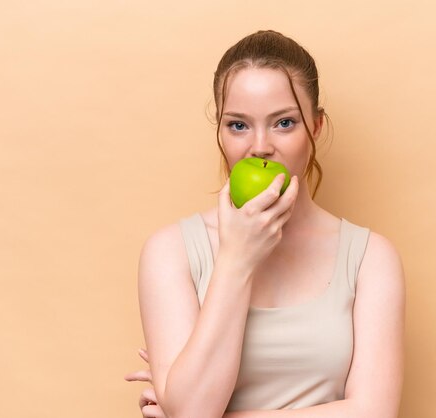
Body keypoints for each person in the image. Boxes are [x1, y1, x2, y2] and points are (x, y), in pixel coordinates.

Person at [124, 29, 405, 418]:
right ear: (219, 131)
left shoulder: (371, 258)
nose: (259, 146)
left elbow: (375, 413)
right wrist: (237, 259)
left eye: (284, 123)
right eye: (238, 124)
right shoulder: (169, 251)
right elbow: (191, 411)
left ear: (316, 127)